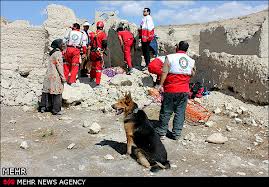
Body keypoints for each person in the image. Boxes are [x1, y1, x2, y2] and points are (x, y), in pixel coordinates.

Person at [155, 41, 196, 140]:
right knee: (180, 112)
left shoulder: (170, 57)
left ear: (177, 47)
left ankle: (162, 133)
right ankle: (176, 134)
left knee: (166, 111)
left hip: (171, 89)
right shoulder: (191, 60)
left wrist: (160, 85)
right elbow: (192, 73)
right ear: (186, 49)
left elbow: (164, 71)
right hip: (184, 90)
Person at [39, 39, 66, 115]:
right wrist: (63, 77)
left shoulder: (52, 53)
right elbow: (59, 66)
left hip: (49, 75)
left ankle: (44, 107)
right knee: (57, 92)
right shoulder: (58, 53)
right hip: (55, 75)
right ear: (58, 45)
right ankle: (56, 110)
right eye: (62, 44)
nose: (63, 45)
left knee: (47, 91)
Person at [89, 21, 107, 87]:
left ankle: (91, 77)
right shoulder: (102, 34)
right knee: (98, 68)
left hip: (92, 52)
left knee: (93, 65)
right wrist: (104, 49)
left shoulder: (93, 34)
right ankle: (97, 83)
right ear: (102, 27)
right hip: (98, 52)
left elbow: (90, 43)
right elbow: (104, 43)